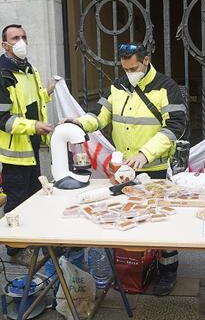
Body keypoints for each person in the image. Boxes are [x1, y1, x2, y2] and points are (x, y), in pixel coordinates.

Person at [67, 43, 187, 295]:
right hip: (123, 170)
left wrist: (146, 153)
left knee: (159, 223)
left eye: (134, 67)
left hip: (153, 167)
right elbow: (99, 115)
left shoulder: (166, 87)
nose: (129, 72)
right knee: (128, 218)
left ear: (146, 60)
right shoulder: (118, 86)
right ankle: (134, 268)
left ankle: (168, 271)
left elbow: (176, 125)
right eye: (125, 68)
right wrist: (79, 123)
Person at [0, 24, 55, 266]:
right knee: (16, 200)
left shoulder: (28, 70)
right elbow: (1, 118)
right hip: (14, 151)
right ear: (5, 45)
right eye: (15, 38)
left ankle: (30, 241)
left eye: (24, 36)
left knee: (33, 195)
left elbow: (29, 102)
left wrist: (48, 92)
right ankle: (16, 251)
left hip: (30, 146)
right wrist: (33, 126)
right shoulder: (1, 76)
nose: (21, 40)